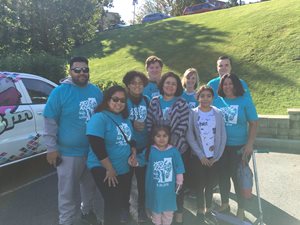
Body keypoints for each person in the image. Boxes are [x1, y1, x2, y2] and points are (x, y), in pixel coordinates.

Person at [43, 56, 103, 225]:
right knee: (67, 192)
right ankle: (66, 221)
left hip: (92, 152)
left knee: (90, 188)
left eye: (85, 69)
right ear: (70, 71)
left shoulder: (95, 91)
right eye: (77, 70)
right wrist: (51, 148)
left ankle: (87, 211)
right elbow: (49, 120)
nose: (82, 73)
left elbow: (104, 117)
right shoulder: (60, 92)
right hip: (68, 154)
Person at [86, 85, 136, 225]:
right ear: (107, 100)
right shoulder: (99, 118)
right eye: (115, 99)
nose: (119, 103)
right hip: (103, 168)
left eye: (122, 100)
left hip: (124, 167)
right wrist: (109, 168)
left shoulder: (124, 118)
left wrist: (133, 152)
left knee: (120, 201)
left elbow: (131, 139)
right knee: (112, 202)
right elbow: (96, 145)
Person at [146, 72, 190, 224]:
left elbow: (183, 126)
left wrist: (170, 148)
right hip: (157, 151)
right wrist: (157, 145)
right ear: (162, 84)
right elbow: (149, 124)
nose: (170, 86)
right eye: (167, 83)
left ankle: (178, 211)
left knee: (178, 182)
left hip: (177, 150)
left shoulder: (182, 103)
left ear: (177, 87)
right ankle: (157, 210)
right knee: (160, 182)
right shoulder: (154, 101)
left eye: (174, 84)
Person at [214, 73, 258, 220]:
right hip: (222, 147)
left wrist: (249, 144)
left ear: (236, 85)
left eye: (230, 83)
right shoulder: (218, 101)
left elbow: (253, 123)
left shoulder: (244, 100)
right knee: (222, 176)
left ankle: (241, 208)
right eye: (224, 84)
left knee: (236, 177)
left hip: (240, 147)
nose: (227, 87)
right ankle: (225, 203)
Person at [186, 85, 226, 224]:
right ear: (198, 98)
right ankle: (200, 209)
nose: (205, 99)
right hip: (199, 158)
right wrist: (201, 155)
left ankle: (209, 209)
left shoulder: (218, 113)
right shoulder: (193, 113)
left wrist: (217, 156)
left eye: (208, 96)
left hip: (214, 158)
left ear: (212, 98)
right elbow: (190, 135)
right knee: (200, 184)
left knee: (210, 185)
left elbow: (222, 135)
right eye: (202, 96)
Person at [130, 125, 185, 225]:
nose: (162, 139)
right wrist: (135, 162)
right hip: (154, 189)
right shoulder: (150, 150)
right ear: (153, 137)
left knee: (168, 213)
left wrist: (179, 181)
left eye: (165, 136)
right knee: (156, 212)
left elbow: (179, 167)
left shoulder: (174, 151)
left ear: (169, 137)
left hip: (169, 190)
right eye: (158, 136)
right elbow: (141, 161)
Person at [122, 70, 149, 223]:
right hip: (126, 149)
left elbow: (152, 121)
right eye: (133, 83)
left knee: (142, 183)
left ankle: (142, 210)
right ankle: (125, 210)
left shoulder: (147, 99)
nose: (137, 86)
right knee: (125, 182)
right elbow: (117, 119)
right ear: (128, 85)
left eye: (140, 83)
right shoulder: (123, 100)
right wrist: (132, 123)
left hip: (143, 148)